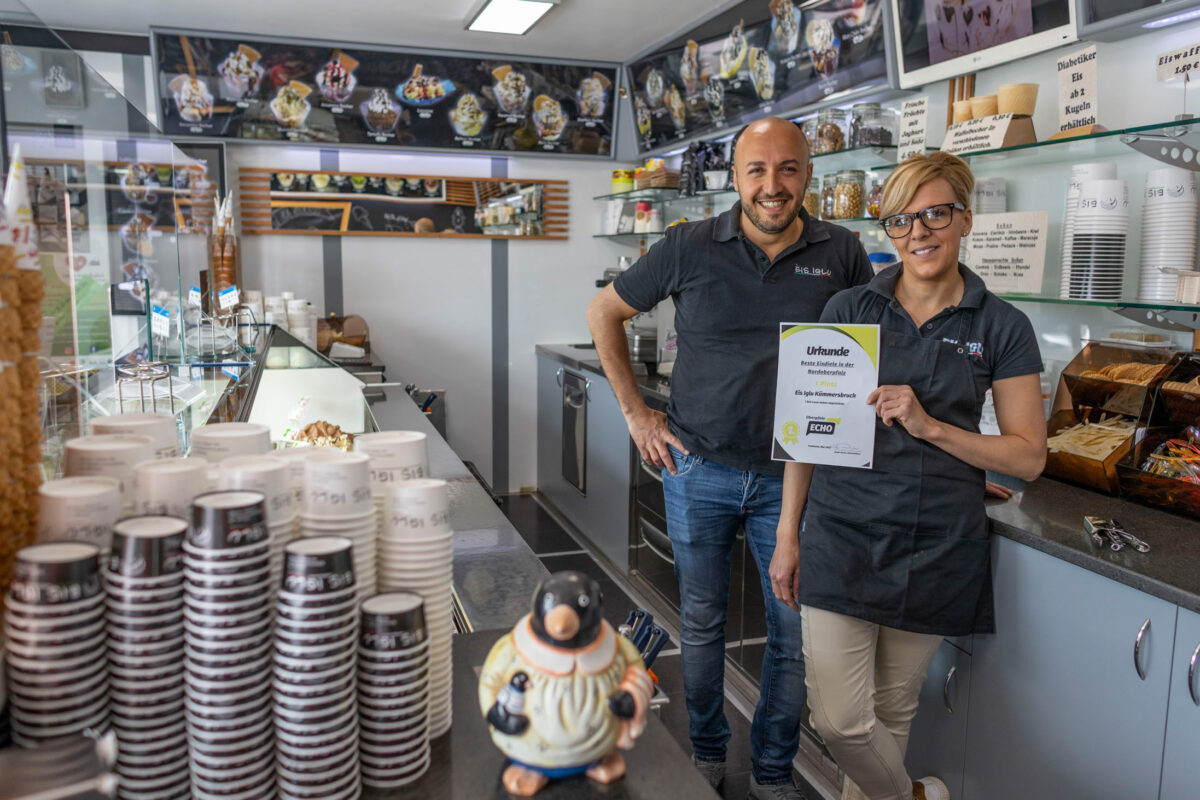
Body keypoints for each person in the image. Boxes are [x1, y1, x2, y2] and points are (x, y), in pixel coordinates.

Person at [587, 116, 872, 799]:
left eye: (788, 170)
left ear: (808, 174)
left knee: (792, 632)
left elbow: (869, 349)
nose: (773, 186)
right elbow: (604, 312)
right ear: (736, 177)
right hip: (699, 468)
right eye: (757, 170)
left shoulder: (844, 251)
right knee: (704, 624)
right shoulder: (688, 245)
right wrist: (635, 412)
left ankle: (774, 768)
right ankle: (708, 752)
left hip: (795, 483)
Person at [769, 151, 1046, 800]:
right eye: (900, 219)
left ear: (965, 219)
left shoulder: (1002, 326)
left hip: (935, 544)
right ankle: (914, 797)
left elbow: (1028, 455)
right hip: (840, 536)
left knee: (890, 723)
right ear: (886, 231)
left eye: (934, 214)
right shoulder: (847, 309)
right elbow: (805, 435)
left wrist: (933, 429)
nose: (918, 231)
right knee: (838, 721)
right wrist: (788, 535)